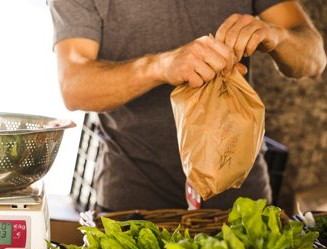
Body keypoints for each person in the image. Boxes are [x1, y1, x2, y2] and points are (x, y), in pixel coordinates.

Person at [49, 0, 326, 211]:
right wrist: (159, 66)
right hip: (133, 204)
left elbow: (314, 59)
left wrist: (278, 36)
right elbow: (74, 85)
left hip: (241, 202)